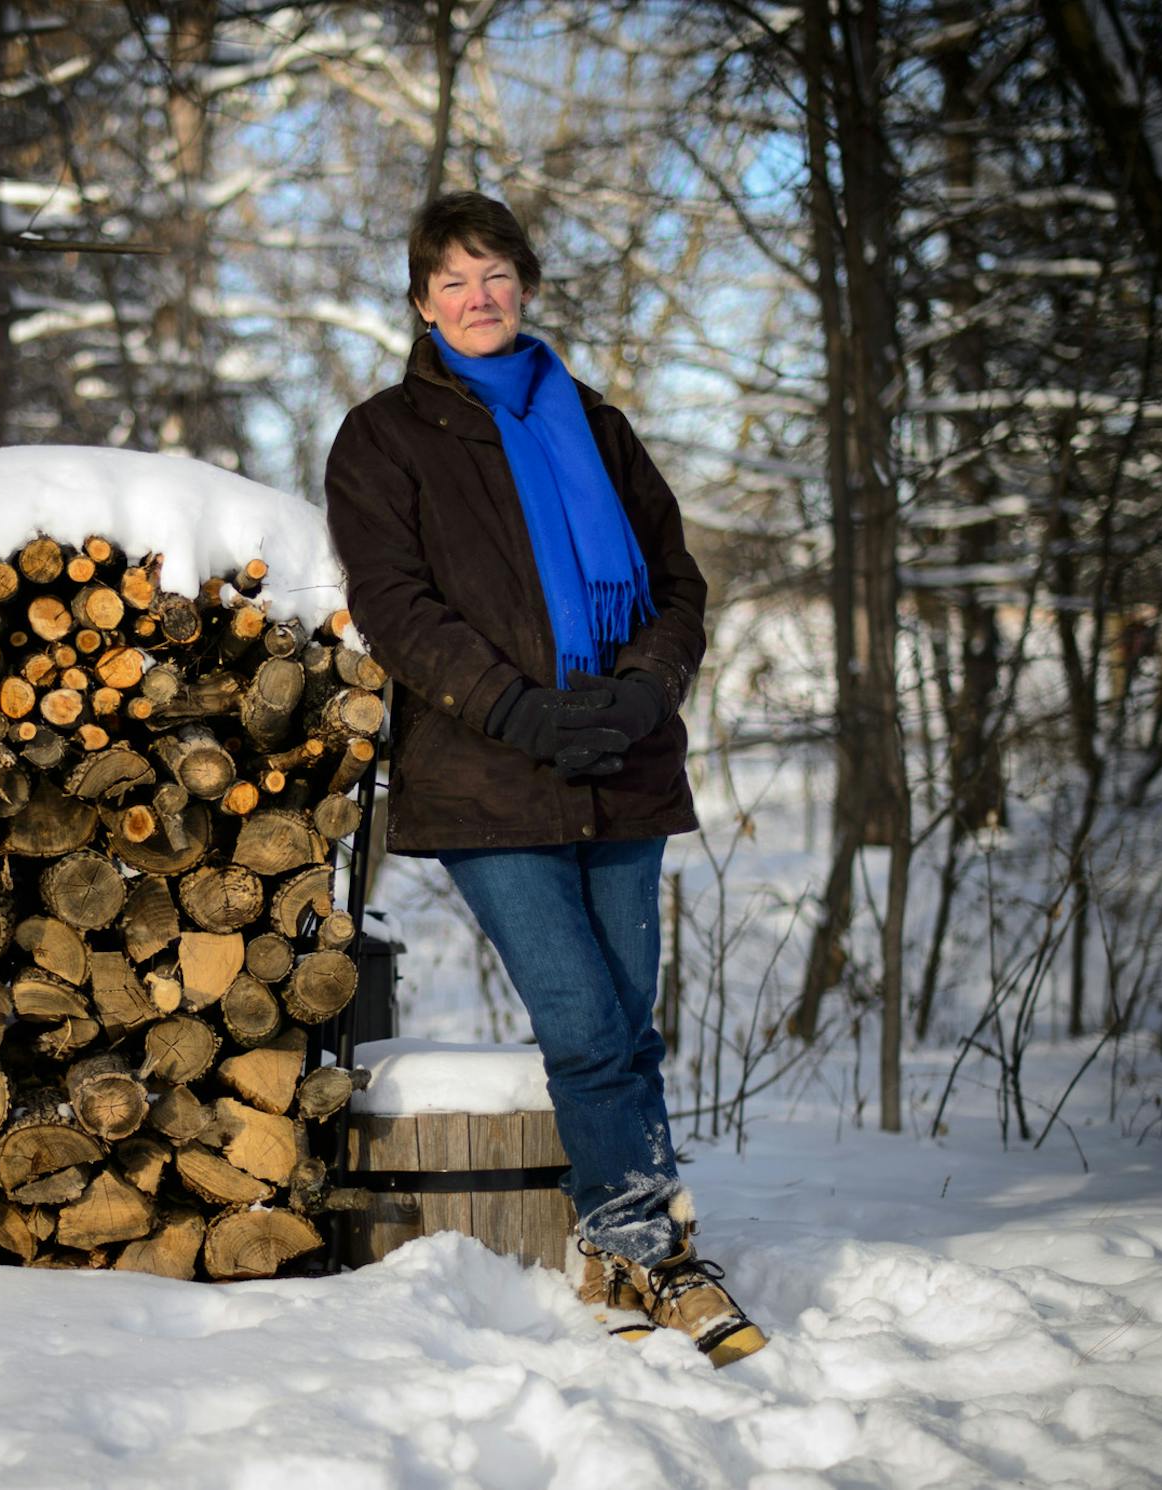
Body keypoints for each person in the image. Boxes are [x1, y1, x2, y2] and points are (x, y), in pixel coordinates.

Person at [323, 191, 766, 1367]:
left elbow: (677, 583)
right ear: (422, 303)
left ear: (525, 285)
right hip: (487, 774)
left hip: (621, 766)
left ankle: (640, 1230)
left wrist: (641, 690)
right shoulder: (384, 438)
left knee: (627, 1021)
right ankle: (642, 1246)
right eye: (453, 282)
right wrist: (517, 706)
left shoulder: (599, 424)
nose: (478, 298)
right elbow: (395, 606)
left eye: (496, 275)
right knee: (580, 1021)